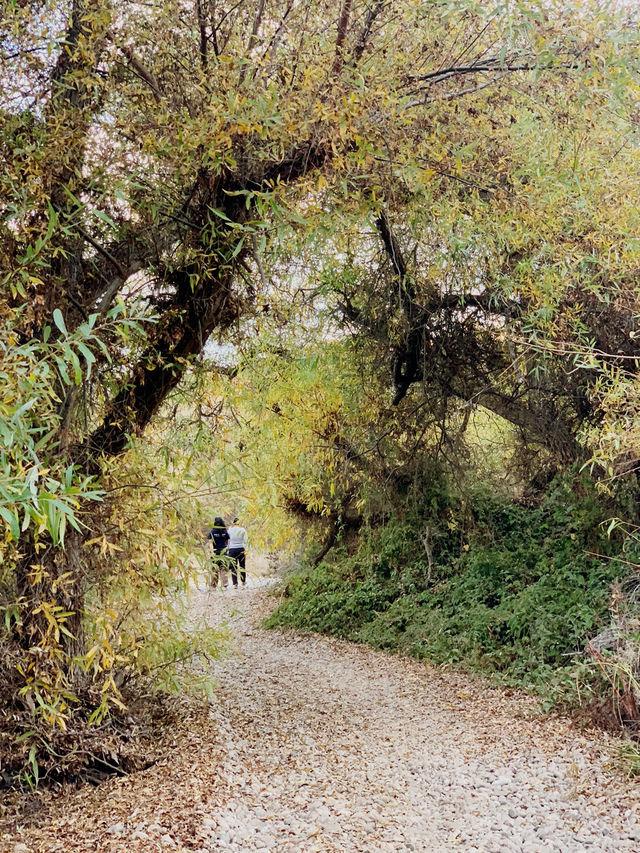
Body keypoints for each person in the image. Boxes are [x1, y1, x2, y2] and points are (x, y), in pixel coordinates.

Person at [207, 516, 229, 589]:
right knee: (223, 568)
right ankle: (225, 584)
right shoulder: (225, 531)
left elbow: (210, 543)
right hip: (223, 552)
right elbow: (227, 542)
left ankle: (214, 585)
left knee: (215, 569)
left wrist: (212, 552)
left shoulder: (212, 532)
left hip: (215, 552)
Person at [226, 516, 248, 588]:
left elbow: (228, 541)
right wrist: (246, 549)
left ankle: (235, 583)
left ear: (233, 523)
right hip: (241, 549)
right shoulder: (242, 530)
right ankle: (243, 581)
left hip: (232, 549)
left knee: (233, 567)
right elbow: (246, 541)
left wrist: (228, 550)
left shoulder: (229, 530)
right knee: (242, 566)